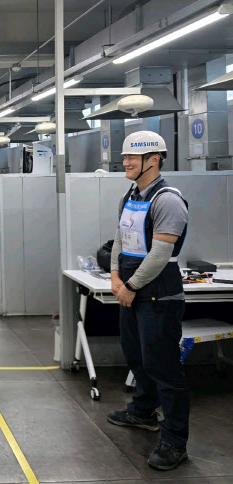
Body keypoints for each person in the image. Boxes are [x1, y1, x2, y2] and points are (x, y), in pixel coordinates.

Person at [107, 131, 190, 471]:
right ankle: (143, 412)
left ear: (153, 160)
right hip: (131, 287)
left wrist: (130, 285)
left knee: (164, 368)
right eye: (125, 156)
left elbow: (160, 254)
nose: (125, 162)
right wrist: (115, 276)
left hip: (158, 294)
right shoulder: (131, 195)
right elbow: (119, 238)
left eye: (131, 157)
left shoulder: (168, 200)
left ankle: (175, 441)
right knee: (137, 357)